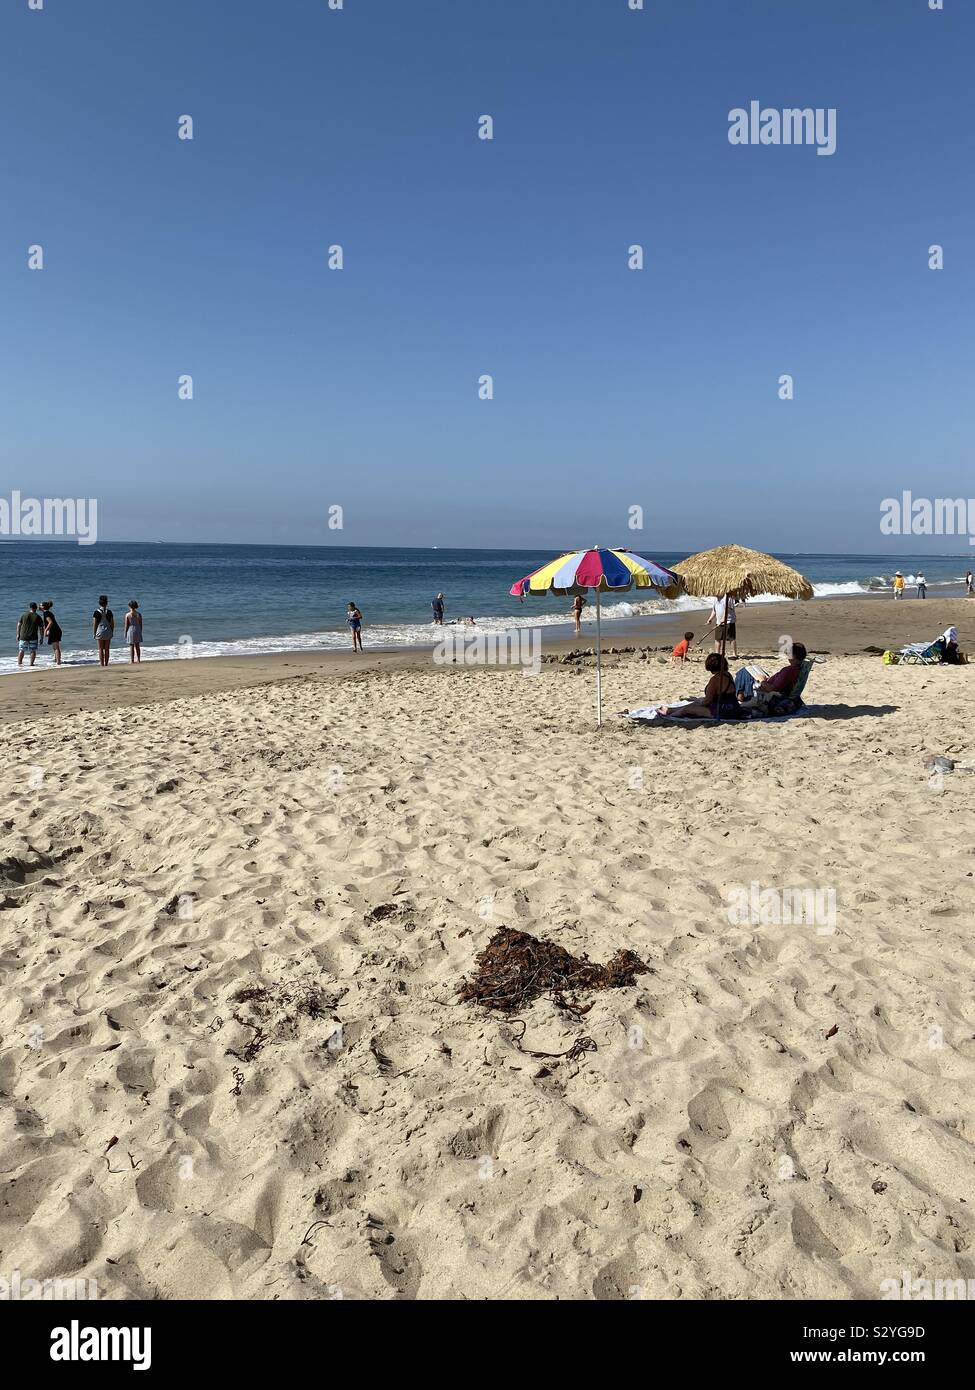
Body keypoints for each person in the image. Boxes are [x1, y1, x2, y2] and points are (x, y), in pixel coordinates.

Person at [657, 653, 740, 719]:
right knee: (696, 703)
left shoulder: (715, 680)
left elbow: (708, 701)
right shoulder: (727, 675)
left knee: (689, 709)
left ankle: (669, 716)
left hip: (721, 711)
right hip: (734, 708)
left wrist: (699, 704)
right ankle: (670, 710)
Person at [735, 642, 808, 703]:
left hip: (769, 692)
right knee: (753, 668)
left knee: (744, 671)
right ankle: (740, 693)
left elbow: (771, 689)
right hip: (778, 689)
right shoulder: (800, 669)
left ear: (793, 655)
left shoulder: (788, 670)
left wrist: (762, 681)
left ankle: (740, 694)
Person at [16, 601, 43, 668]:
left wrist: (18, 634)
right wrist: (41, 637)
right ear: (36, 608)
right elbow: (41, 628)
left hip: (23, 636)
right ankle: (31, 664)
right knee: (33, 650)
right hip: (33, 637)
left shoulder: (24, 615)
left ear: (30, 607)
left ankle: (19, 663)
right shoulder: (38, 617)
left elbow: (19, 625)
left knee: (21, 650)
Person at [93, 595, 115, 666]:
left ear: (99, 603)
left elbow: (95, 624)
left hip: (100, 631)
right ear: (106, 603)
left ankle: (102, 664)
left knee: (100, 649)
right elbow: (112, 623)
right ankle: (106, 664)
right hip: (108, 631)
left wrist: (94, 633)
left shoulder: (96, 612)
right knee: (107, 649)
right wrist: (112, 631)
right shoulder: (109, 612)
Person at [41, 601, 62, 666]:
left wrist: (45, 630)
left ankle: (58, 662)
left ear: (43, 607)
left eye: (40, 605)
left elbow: (50, 622)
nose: (39, 606)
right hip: (56, 630)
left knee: (56, 647)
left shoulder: (46, 613)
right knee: (55, 647)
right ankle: (56, 660)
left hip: (55, 631)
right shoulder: (48, 612)